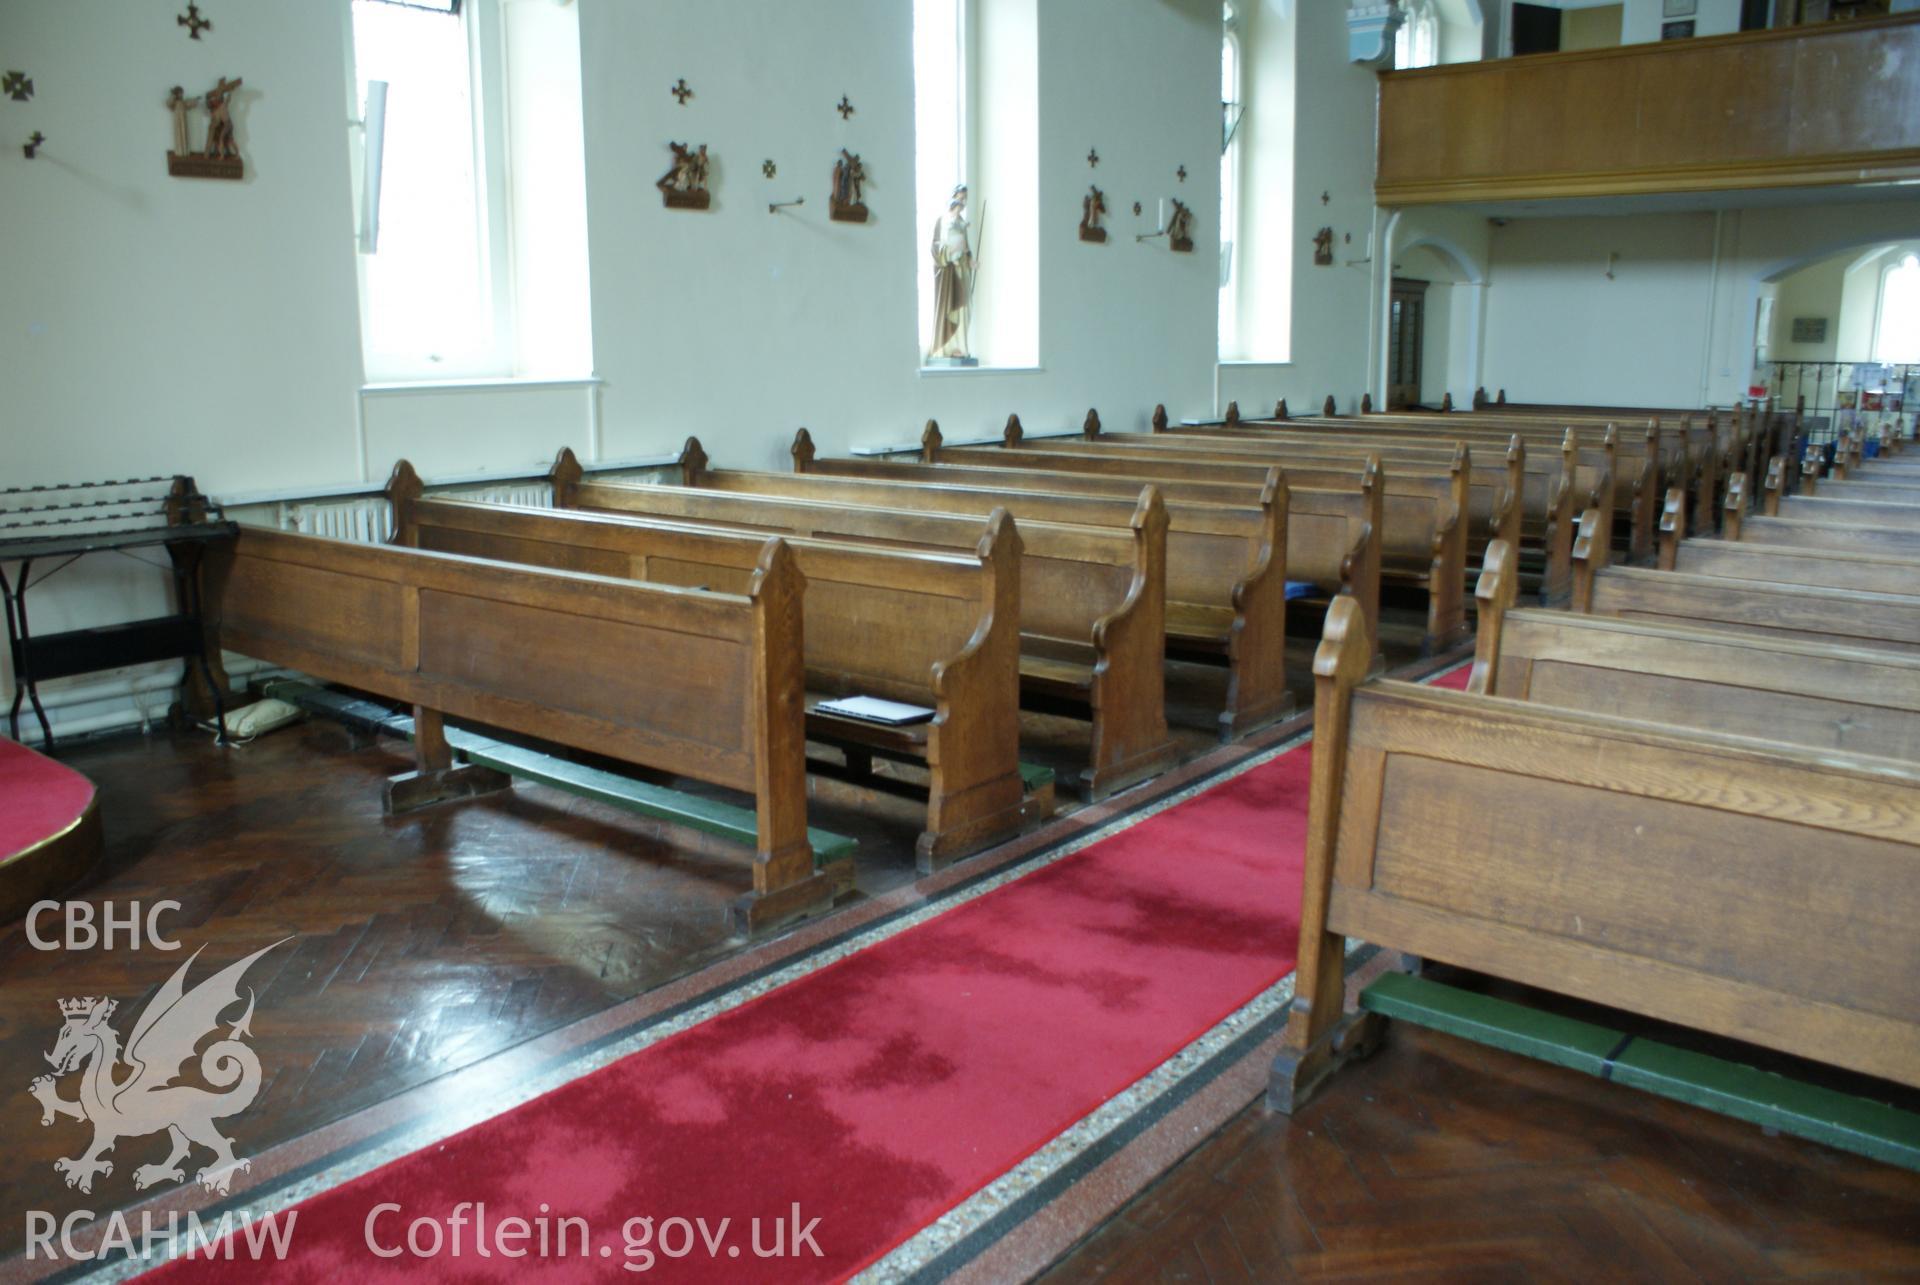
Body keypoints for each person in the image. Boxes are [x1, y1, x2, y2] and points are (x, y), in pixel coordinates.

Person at [929, 185, 973, 359]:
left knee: (965, 308)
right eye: (960, 199)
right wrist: (949, 252)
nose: (962, 203)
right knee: (951, 306)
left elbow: (966, 246)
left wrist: (970, 259)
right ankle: (947, 347)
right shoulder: (943, 221)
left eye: (965, 200)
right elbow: (935, 246)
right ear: (953, 199)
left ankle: (961, 346)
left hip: (963, 270)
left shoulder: (961, 223)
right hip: (949, 273)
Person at [202, 77, 242, 161]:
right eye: (214, 101)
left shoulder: (222, 107)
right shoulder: (218, 110)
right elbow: (214, 115)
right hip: (229, 124)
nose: (216, 101)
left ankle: (222, 156)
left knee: (221, 139)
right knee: (230, 140)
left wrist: (230, 91)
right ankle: (237, 154)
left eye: (216, 101)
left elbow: (227, 100)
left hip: (227, 124)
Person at [165, 86, 200, 157]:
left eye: (182, 93)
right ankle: (179, 151)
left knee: (184, 133)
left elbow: (190, 102)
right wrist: (173, 95)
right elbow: (168, 103)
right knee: (179, 134)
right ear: (176, 94)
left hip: (184, 120)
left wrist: (196, 99)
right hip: (178, 120)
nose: (181, 95)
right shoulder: (175, 103)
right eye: (179, 93)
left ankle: (185, 150)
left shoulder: (183, 102)